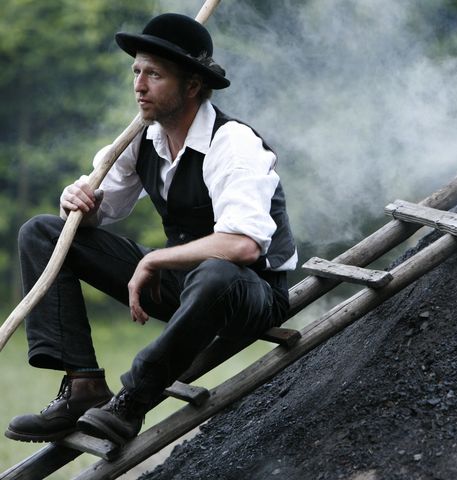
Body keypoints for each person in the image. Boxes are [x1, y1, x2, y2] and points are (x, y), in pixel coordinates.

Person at [5, 13, 297, 445]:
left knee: (215, 271)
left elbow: (243, 246)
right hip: (182, 284)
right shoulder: (143, 138)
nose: (139, 86)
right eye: (136, 71)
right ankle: (83, 386)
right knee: (42, 233)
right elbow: (103, 211)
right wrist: (79, 204)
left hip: (248, 293)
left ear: (193, 85)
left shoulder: (232, 143)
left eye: (154, 75)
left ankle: (131, 402)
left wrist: (154, 259)